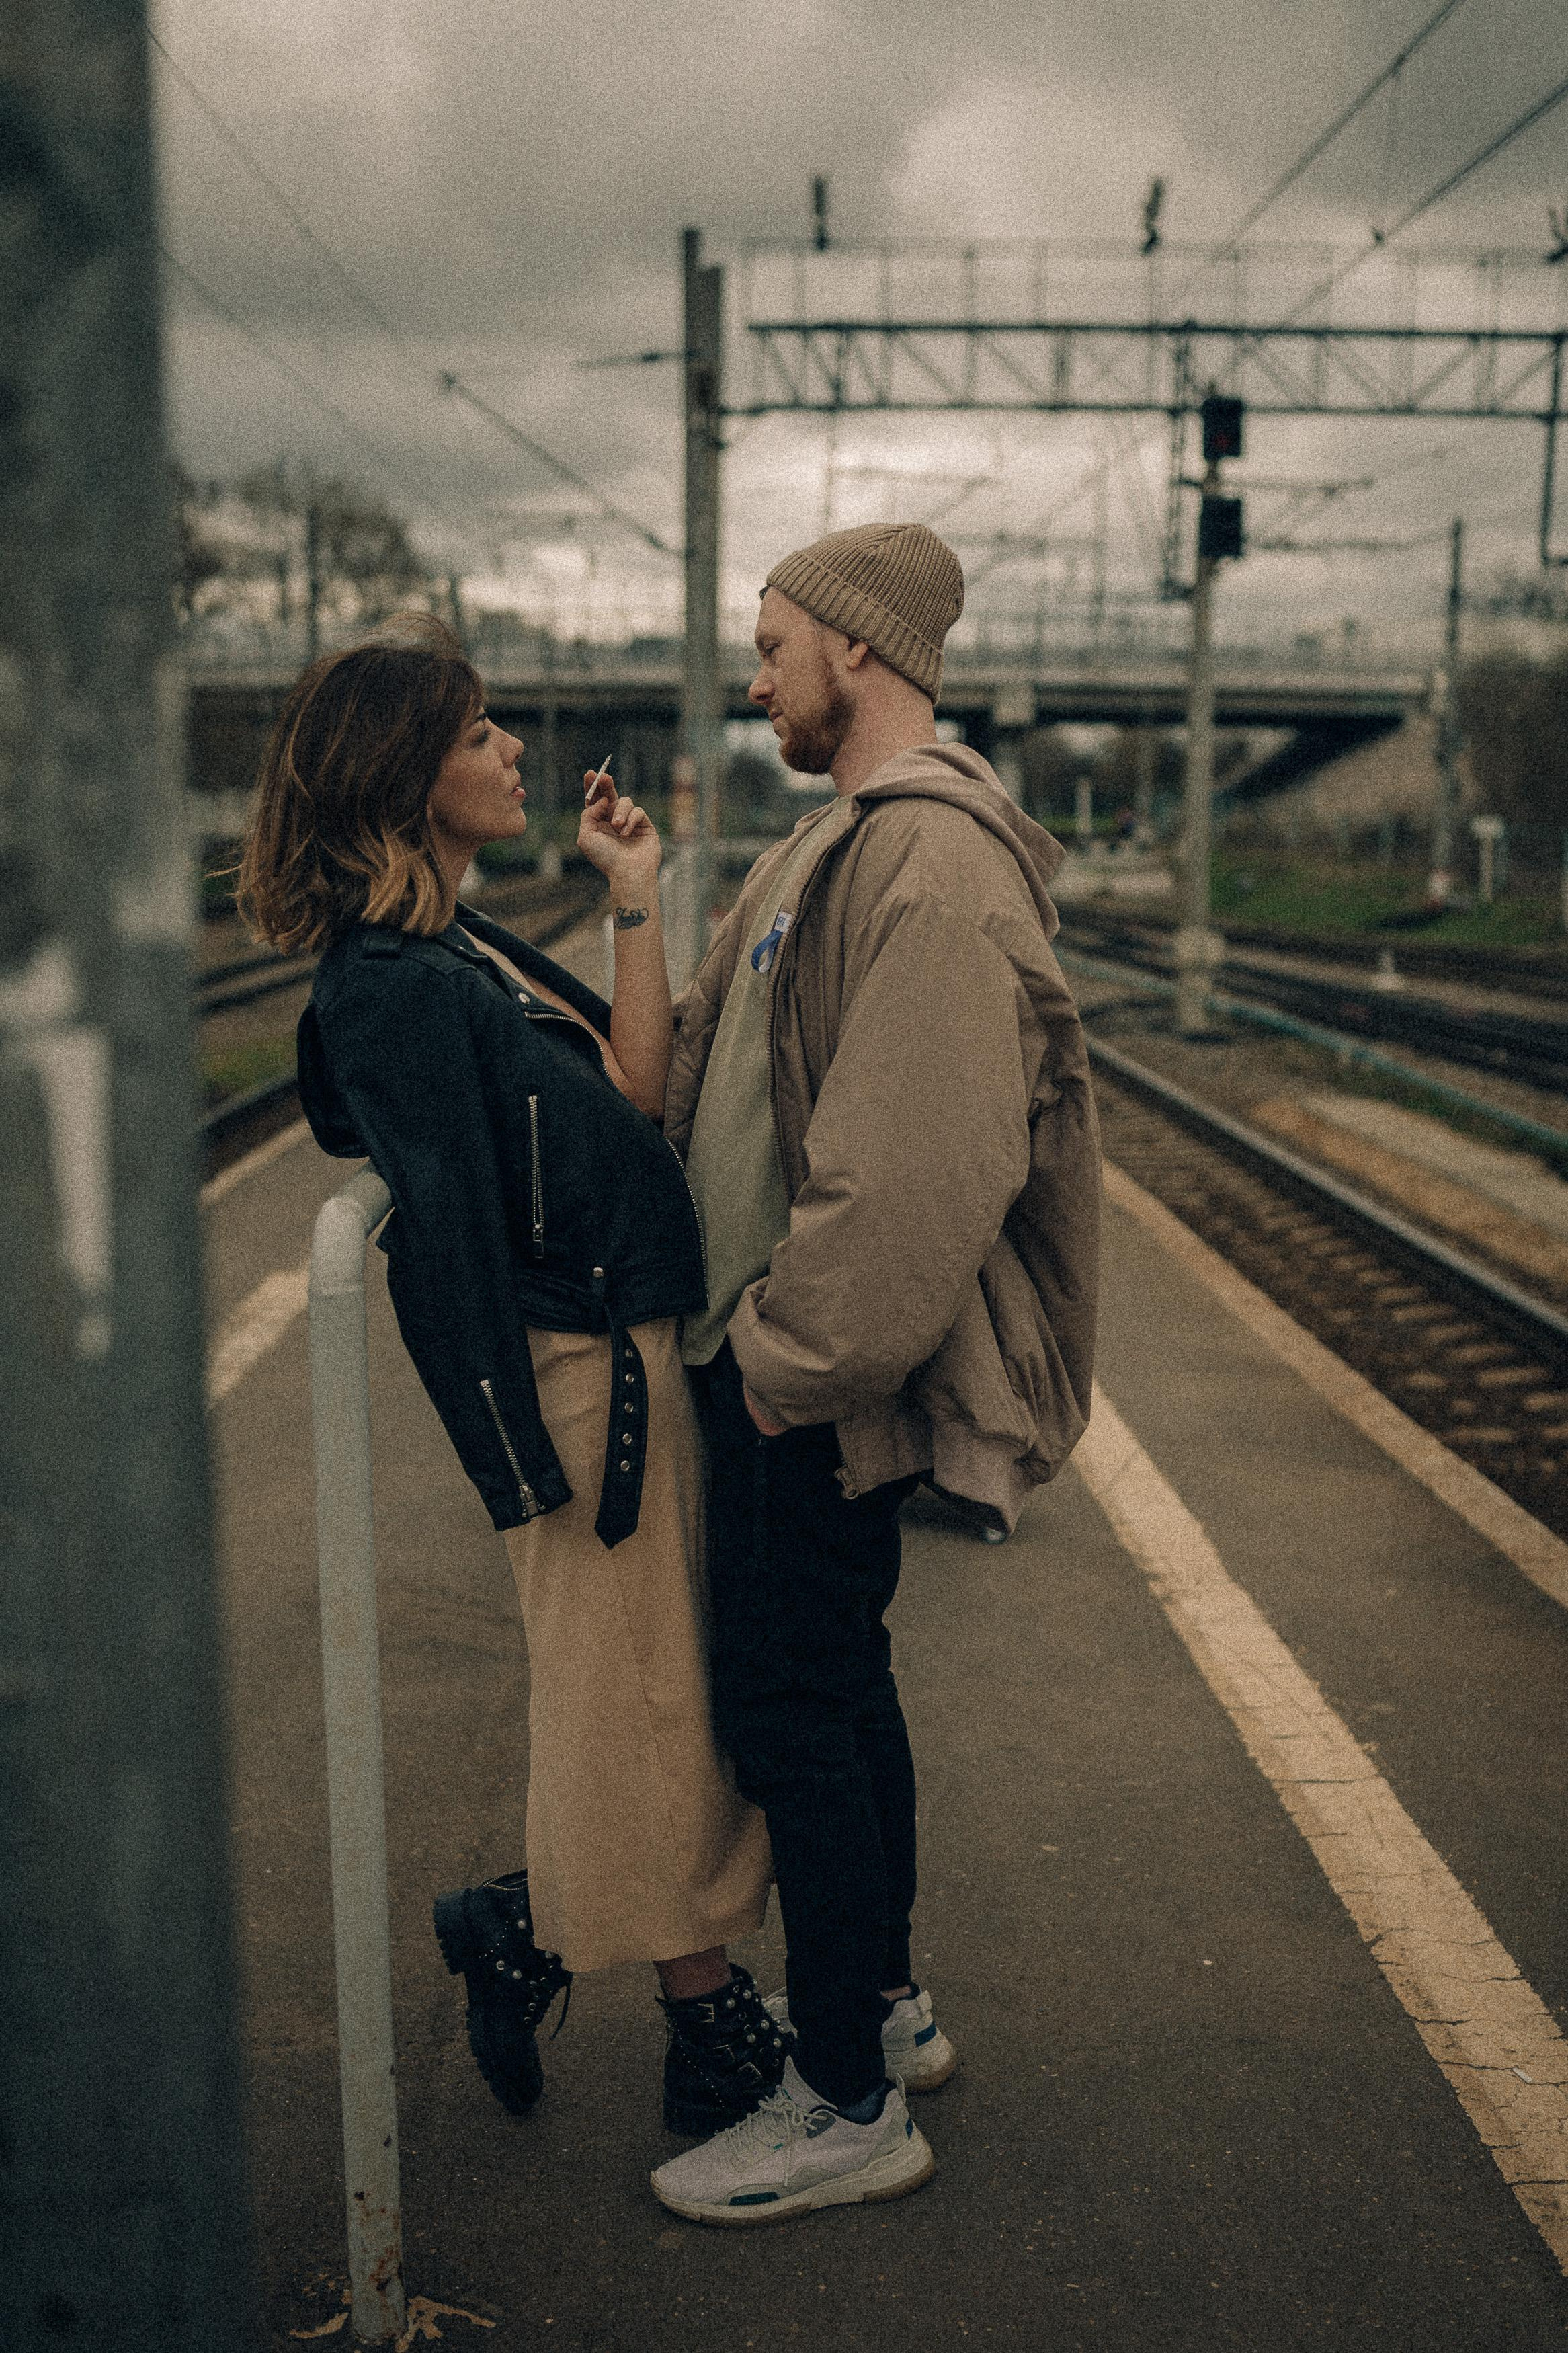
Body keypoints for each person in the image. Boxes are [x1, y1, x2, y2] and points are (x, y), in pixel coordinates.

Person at [236, 618, 782, 2138]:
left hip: (620, 1354)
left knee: (647, 1690)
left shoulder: (452, 948)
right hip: (573, 1379)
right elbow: (452, 1245)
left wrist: (631, 894)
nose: (515, 748)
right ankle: (709, 2030)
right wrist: (516, 1462)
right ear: (407, 772)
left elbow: (633, 1090)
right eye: (479, 732)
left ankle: (523, 1928)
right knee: (645, 1700)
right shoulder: (392, 988)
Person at [649, 523, 1101, 2225]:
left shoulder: (933, 862)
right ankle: (886, 2007)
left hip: (806, 1375)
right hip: (783, 1361)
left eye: (775, 644)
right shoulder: (831, 844)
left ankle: (844, 2099)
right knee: (839, 1688)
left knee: (794, 1710)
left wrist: (787, 1364)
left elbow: (916, 1163)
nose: (756, 677)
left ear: (859, 647)